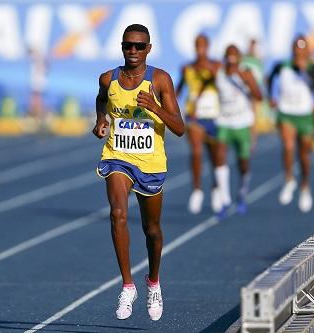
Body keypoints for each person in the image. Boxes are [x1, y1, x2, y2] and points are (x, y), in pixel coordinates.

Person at [92, 24, 185, 321]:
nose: (133, 51)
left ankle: (153, 281)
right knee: (118, 213)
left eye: (139, 46)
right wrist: (101, 120)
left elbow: (180, 128)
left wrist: (155, 108)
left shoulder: (159, 80)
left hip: (151, 163)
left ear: (148, 49)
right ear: (122, 47)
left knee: (152, 231)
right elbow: (101, 100)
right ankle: (128, 285)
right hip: (117, 156)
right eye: (128, 46)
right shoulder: (108, 78)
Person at [267, 35, 314, 213]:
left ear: (307, 51)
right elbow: (269, 79)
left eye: (302, 50)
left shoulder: (312, 68)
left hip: (305, 115)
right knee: (288, 146)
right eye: (296, 50)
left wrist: (305, 72)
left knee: (304, 154)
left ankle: (305, 186)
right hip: (286, 113)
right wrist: (271, 97)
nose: (299, 53)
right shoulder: (282, 66)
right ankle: (289, 180)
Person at [175, 34, 223, 214]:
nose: (200, 48)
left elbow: (223, 84)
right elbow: (177, 91)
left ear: (208, 46)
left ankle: (216, 189)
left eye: (203, 45)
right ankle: (196, 191)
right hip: (194, 117)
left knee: (216, 157)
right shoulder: (187, 68)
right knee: (196, 152)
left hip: (215, 116)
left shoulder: (217, 66)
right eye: (197, 45)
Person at [214, 45, 262, 216]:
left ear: (240, 58)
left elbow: (259, 96)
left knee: (243, 162)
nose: (231, 60)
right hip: (224, 121)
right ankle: (225, 200)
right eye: (229, 56)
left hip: (242, 122)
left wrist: (245, 79)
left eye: (235, 57)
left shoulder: (246, 73)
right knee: (219, 156)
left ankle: (242, 190)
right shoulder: (219, 73)